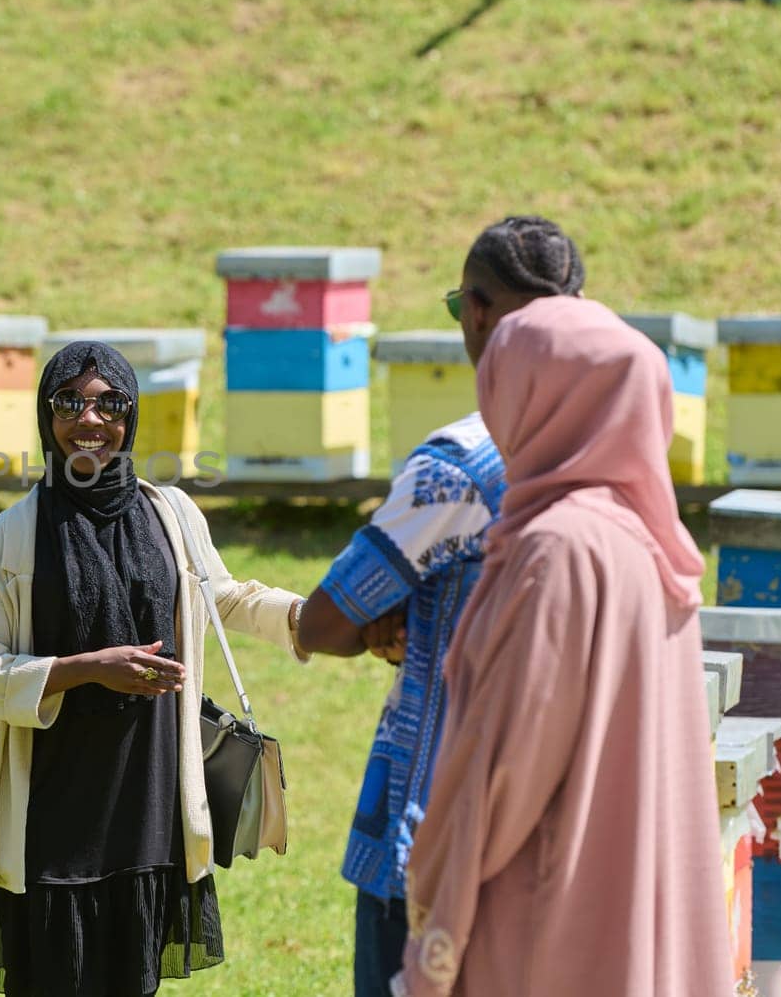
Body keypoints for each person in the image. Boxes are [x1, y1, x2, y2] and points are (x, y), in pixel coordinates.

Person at [390, 298, 732, 996]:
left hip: (540, 924)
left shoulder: (556, 548)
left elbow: (503, 771)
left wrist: (435, 916)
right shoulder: (647, 536)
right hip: (624, 915)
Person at [0, 341, 305, 997]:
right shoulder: (12, 534)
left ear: (133, 414)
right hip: (51, 813)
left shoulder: (171, 513)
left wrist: (302, 618)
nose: (90, 420)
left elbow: (219, 594)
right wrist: (86, 668)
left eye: (110, 404)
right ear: (45, 414)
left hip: (147, 798)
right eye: (70, 403)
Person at [296, 215, 584, 997]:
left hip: (436, 823)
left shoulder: (457, 466)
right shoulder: (607, 450)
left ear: (479, 316)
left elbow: (328, 620)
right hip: (568, 820)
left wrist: (397, 622)